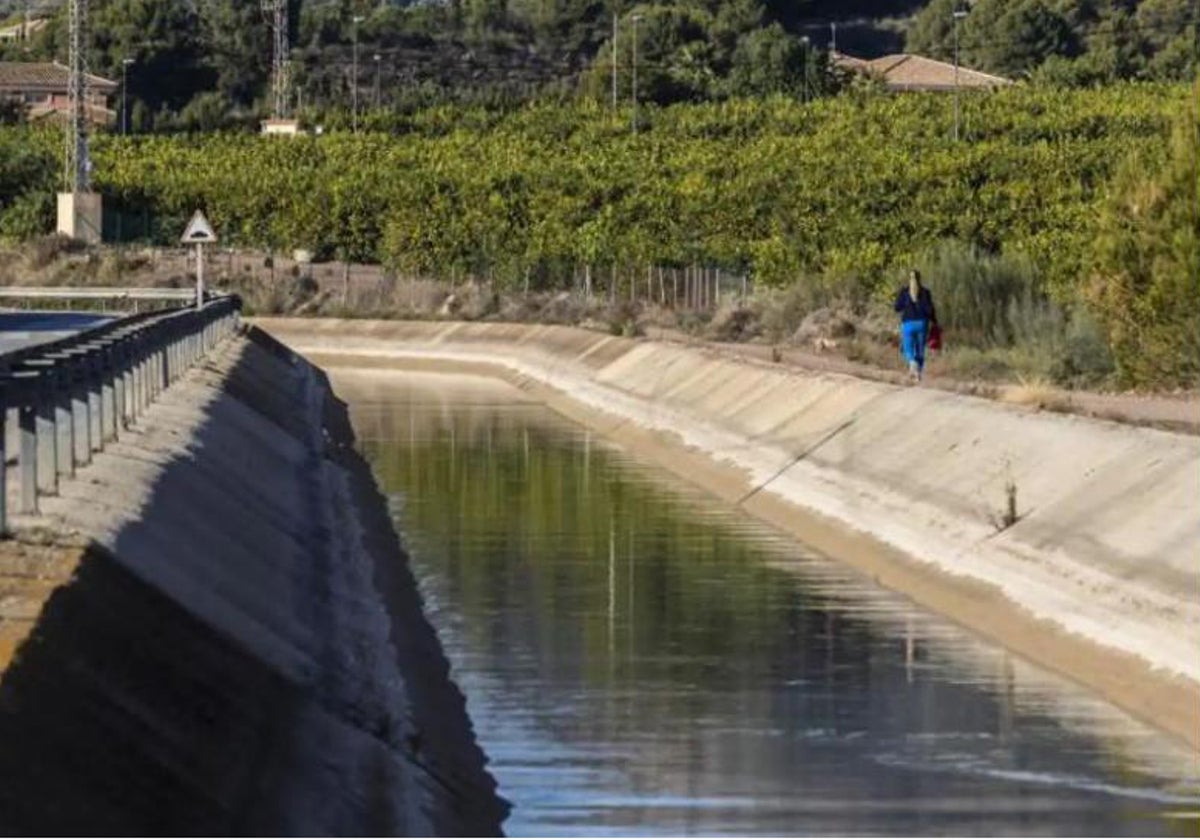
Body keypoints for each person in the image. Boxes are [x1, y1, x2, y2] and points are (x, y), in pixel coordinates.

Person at [893, 269, 937, 383]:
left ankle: (912, 364)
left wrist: (904, 303)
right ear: (920, 278)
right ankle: (918, 374)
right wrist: (934, 321)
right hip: (922, 324)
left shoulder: (904, 291)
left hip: (908, 324)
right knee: (920, 350)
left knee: (908, 349)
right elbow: (930, 310)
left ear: (909, 279)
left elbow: (897, 307)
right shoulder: (925, 292)